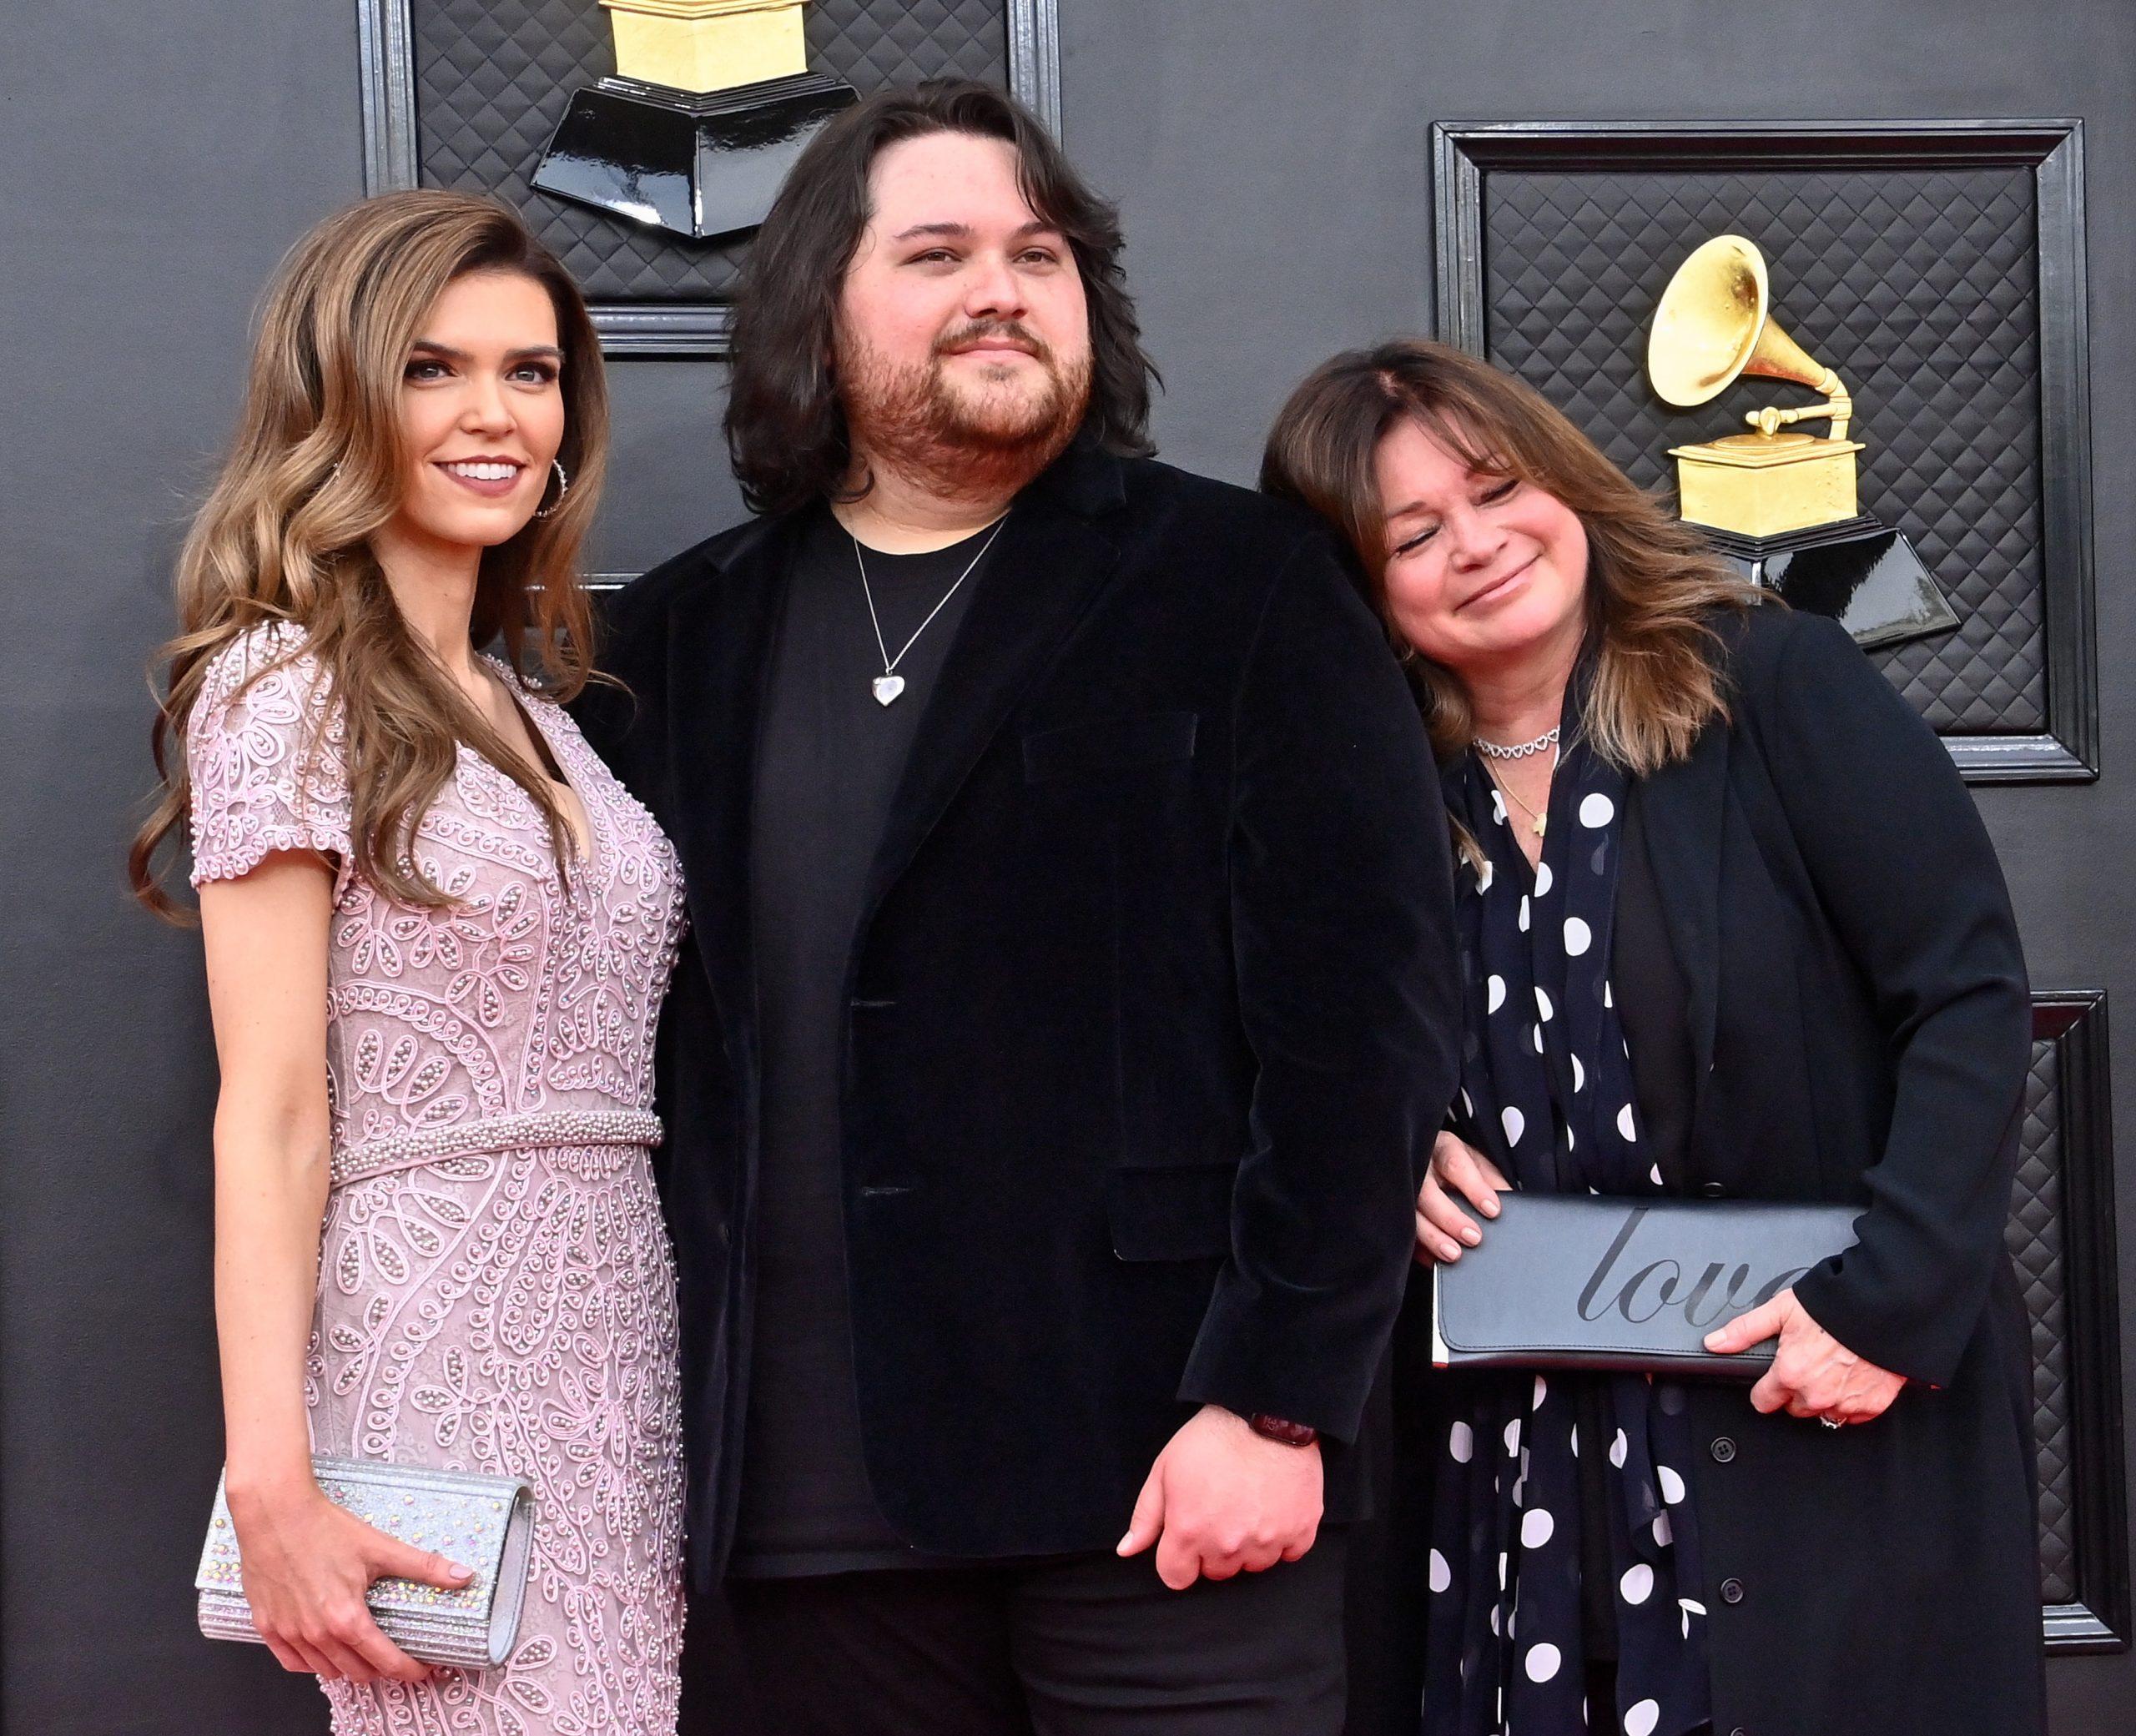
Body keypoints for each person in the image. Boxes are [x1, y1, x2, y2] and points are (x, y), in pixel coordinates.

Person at [574, 81, 1460, 1736]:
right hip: (795, 1520)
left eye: (1036, 252)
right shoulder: (673, 646)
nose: (1000, 283)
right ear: (815, 313)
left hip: (1160, 1481)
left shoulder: (1243, 584)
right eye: (937, 250)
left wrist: (1274, 1404)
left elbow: (1366, 1028)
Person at [1260, 338, 2044, 1736]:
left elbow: (1967, 989)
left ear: (1563, 479)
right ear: (1360, 587)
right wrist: (1391, 1138)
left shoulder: (1774, 681)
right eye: (1416, 532)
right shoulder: (1363, 796)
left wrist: (1891, 1305)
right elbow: (1296, 1046)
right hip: (1511, 1481)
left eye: (1497, 488)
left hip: (1812, 1410)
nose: (1480, 543)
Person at [132, 191, 687, 1734]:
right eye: (433, 370)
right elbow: (274, 1112)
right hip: (433, 1337)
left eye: (532, 371)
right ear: (340, 399)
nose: (494, 414)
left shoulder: (541, 712)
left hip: (622, 1353)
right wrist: (272, 1482)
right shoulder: (281, 683)